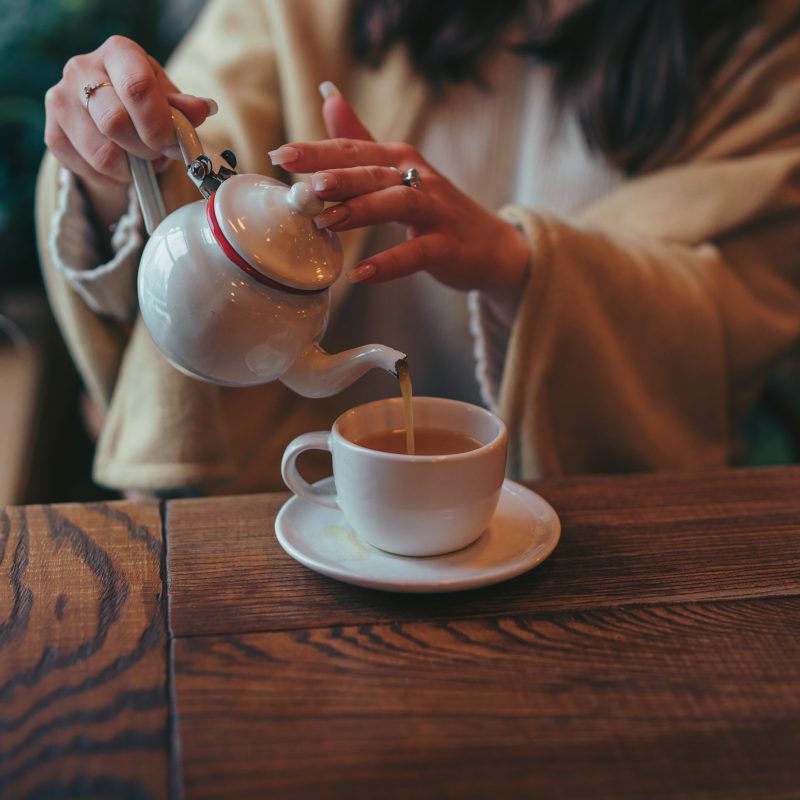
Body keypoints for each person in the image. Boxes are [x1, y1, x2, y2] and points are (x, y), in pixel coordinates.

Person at [36, 0, 800, 497]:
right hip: (275, 506)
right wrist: (125, 152)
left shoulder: (757, 41)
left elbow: (728, 307)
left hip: (570, 538)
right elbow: (207, 126)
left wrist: (512, 260)